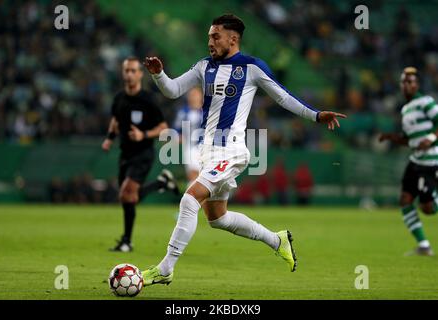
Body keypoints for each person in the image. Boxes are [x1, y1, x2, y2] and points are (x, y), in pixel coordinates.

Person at [142, 14, 346, 285]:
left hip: (231, 152)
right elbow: (173, 90)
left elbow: (283, 96)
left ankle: (165, 268)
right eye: (209, 37)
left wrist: (315, 115)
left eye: (216, 36)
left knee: (189, 199)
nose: (210, 42)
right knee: (218, 219)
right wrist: (158, 74)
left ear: (233, 38)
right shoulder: (204, 66)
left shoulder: (251, 67)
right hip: (208, 152)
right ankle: (277, 240)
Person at [102, 57, 179, 252]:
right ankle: (161, 183)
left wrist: (143, 134)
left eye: (132, 71)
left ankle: (127, 241)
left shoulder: (147, 100)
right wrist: (110, 138)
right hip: (125, 153)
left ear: (140, 74)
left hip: (143, 153)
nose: (129, 74)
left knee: (126, 193)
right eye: (126, 70)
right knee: (128, 198)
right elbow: (116, 121)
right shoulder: (119, 98)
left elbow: (163, 128)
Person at [379, 67, 438, 256]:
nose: (407, 85)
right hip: (415, 161)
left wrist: (431, 137)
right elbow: (409, 139)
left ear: (417, 84)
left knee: (428, 208)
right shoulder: (406, 109)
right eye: (404, 81)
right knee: (405, 200)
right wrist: (392, 138)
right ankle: (424, 245)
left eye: (410, 81)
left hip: (431, 161)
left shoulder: (426, 102)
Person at [173, 87, 203, 184]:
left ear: (201, 97)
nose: (193, 97)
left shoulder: (208, 112)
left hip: (207, 148)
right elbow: (176, 130)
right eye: (191, 95)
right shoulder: (183, 113)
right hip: (190, 148)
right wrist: (178, 137)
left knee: (205, 177)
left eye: (196, 95)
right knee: (194, 174)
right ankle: (193, 196)